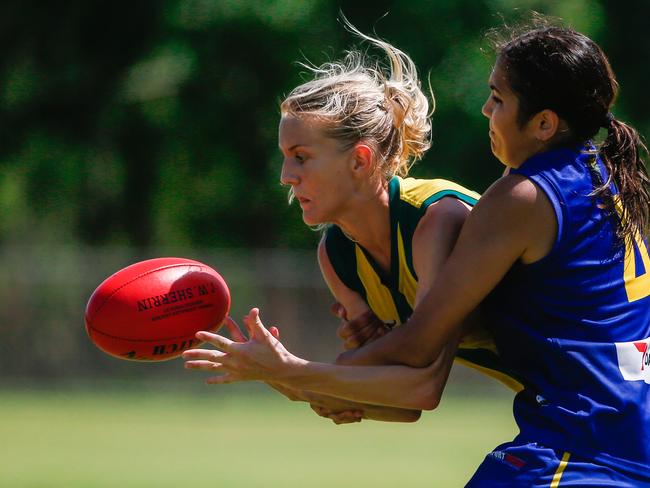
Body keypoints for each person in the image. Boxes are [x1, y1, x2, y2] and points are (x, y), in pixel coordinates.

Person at [188, 18, 650, 485]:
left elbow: (419, 366)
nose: (485, 108)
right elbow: (401, 401)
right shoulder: (339, 256)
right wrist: (303, 380)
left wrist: (303, 372)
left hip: (593, 436)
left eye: (499, 97)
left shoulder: (489, 206)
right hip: (602, 426)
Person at [183, 22, 520, 425]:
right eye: (285, 157)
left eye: (301, 156)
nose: (285, 176)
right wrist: (289, 381)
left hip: (596, 396)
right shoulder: (337, 256)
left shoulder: (434, 219)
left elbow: (423, 387)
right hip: (554, 405)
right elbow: (399, 404)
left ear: (360, 160)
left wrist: (293, 370)